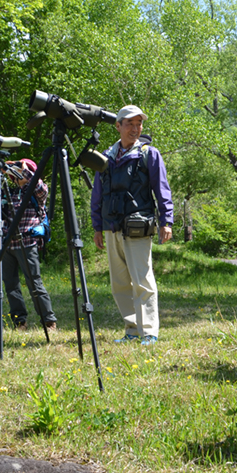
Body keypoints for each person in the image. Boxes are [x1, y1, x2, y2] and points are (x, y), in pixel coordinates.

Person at [91, 105, 173, 345]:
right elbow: (97, 194)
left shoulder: (149, 154)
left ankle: (149, 331)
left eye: (139, 124)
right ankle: (132, 330)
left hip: (138, 226)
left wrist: (166, 221)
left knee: (142, 281)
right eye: (130, 124)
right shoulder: (105, 156)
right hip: (111, 227)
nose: (136, 129)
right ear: (118, 126)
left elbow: (162, 189)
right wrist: (97, 226)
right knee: (119, 283)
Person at [0, 158, 58, 332]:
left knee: (34, 282)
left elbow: (36, 184)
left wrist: (23, 169)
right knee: (10, 285)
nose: (17, 173)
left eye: (22, 170)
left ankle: (49, 322)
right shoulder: (10, 193)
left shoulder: (38, 192)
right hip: (7, 244)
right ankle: (20, 322)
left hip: (27, 243)